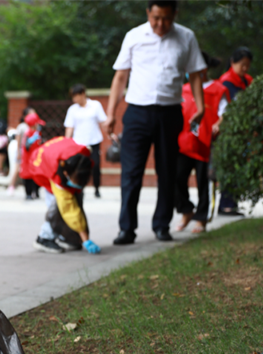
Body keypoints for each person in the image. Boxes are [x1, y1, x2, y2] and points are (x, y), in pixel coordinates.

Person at [105, 0, 207, 245]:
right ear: (148, 13)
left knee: (167, 171)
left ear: (175, 14)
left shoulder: (186, 37)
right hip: (137, 113)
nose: (161, 24)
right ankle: (126, 229)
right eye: (156, 18)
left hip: (170, 113)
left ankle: (162, 225)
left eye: (167, 19)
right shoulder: (134, 36)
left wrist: (201, 106)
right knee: (131, 173)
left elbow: (195, 75)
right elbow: (120, 77)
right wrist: (111, 113)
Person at [174, 52, 230, 234]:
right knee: (176, 178)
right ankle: (186, 210)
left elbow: (225, 113)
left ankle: (202, 218)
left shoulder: (218, 89)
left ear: (203, 68)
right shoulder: (183, 89)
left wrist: (219, 124)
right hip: (184, 143)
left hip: (207, 144)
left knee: (204, 183)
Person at [26, 137, 101, 255]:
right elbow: (70, 210)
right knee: (58, 207)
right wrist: (86, 240)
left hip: (56, 152)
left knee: (76, 198)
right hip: (42, 166)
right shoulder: (57, 175)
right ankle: (44, 237)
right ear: (66, 174)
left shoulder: (82, 159)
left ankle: (70, 238)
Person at [216, 47, 254, 216]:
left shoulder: (247, 81)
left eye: (247, 65)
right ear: (233, 62)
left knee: (238, 166)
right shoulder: (226, 82)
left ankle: (232, 202)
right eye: (242, 64)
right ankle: (226, 204)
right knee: (230, 166)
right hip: (229, 131)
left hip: (242, 130)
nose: (245, 68)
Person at [64, 84, 108, 198]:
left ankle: (97, 188)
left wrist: (110, 133)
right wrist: (66, 142)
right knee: (79, 167)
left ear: (83, 94)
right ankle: (80, 188)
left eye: (76, 96)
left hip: (94, 141)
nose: (74, 99)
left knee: (96, 165)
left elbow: (103, 121)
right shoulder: (72, 110)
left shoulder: (95, 105)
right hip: (79, 143)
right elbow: (69, 127)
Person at [18, 110, 46, 200]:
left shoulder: (38, 133)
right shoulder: (28, 133)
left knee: (37, 176)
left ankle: (36, 192)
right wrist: (31, 140)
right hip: (28, 159)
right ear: (34, 124)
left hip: (36, 158)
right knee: (28, 177)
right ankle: (28, 193)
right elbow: (26, 146)